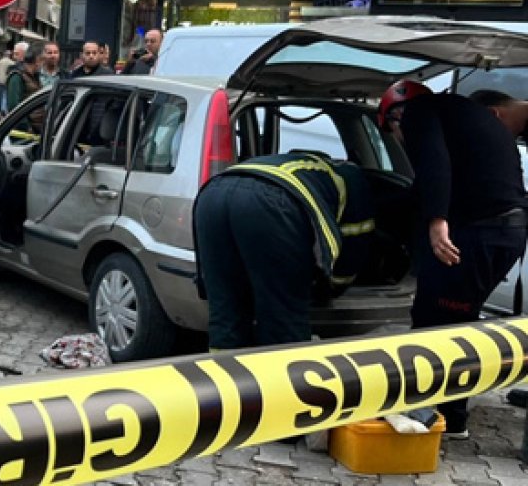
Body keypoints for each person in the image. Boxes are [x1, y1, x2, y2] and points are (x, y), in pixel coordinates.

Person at [379, 81, 528, 439]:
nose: (399, 140)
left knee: (436, 323)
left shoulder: (419, 112)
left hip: (479, 234)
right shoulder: (471, 118)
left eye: (393, 132)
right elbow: (428, 187)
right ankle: (451, 413)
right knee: (460, 319)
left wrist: (436, 221)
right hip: (507, 233)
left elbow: (434, 164)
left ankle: (436, 416)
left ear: (396, 114)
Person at [194, 152, 375, 352]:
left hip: (211, 195)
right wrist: (332, 288)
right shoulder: (353, 177)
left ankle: (225, 379)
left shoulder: (299, 166)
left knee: (226, 316)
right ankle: (279, 381)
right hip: (270, 200)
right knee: (282, 323)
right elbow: (354, 242)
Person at [5, 43, 44, 112]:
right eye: (43, 60)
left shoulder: (35, 76)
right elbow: (13, 106)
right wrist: (25, 123)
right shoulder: (17, 77)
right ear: (38, 60)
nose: (43, 64)